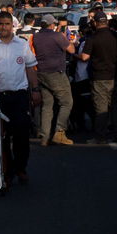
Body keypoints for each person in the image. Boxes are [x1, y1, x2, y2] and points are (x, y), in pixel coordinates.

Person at [0, 10, 41, 186]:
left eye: (7, 24)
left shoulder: (21, 44)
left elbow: (30, 68)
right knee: (0, 137)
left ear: (12, 25)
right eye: (1, 24)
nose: (4, 27)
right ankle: (7, 171)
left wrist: (35, 90)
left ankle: (21, 168)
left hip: (19, 96)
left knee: (21, 136)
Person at [81, 15, 117, 142]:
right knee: (115, 106)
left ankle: (101, 136)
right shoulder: (115, 36)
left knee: (101, 108)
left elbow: (85, 57)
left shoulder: (92, 38)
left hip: (99, 76)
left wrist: (75, 55)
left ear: (95, 23)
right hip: (115, 75)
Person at [33, 14, 75, 146]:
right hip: (56, 72)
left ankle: (45, 137)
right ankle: (60, 131)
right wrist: (63, 38)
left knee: (47, 105)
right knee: (67, 102)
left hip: (41, 72)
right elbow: (72, 50)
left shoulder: (36, 37)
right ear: (52, 25)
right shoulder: (57, 36)